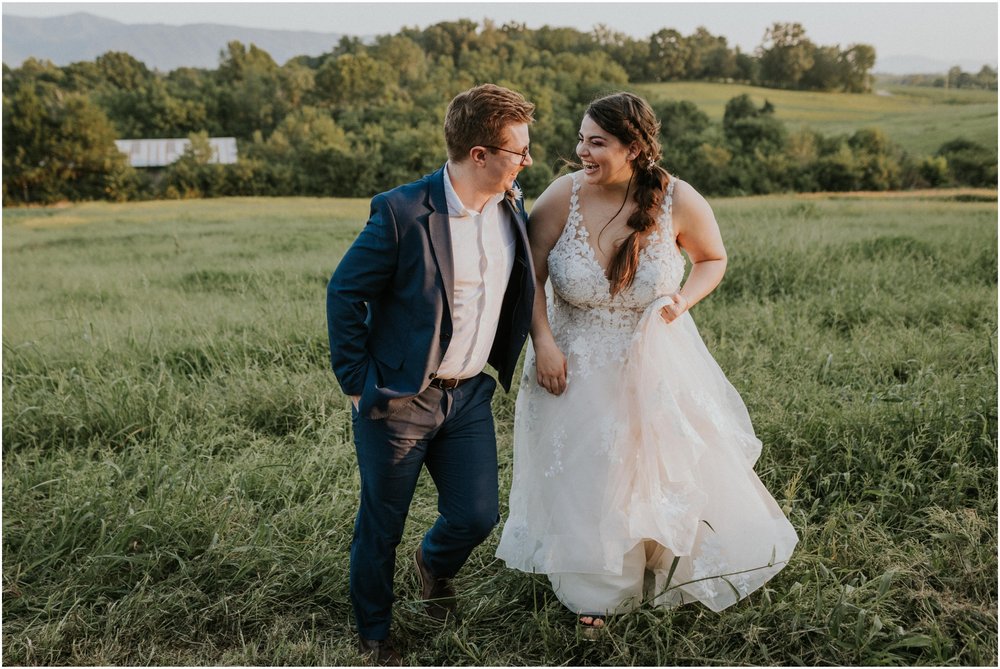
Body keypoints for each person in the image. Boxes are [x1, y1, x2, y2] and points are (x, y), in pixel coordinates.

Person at [495, 92, 798, 633]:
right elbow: (529, 273)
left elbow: (712, 258)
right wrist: (542, 342)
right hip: (572, 360)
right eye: (581, 139)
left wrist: (684, 300)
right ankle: (600, 590)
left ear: (633, 147)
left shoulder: (677, 197)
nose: (581, 151)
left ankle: (665, 567)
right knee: (590, 473)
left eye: (597, 142)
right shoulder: (561, 196)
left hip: (653, 360)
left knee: (656, 468)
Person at [327, 84, 536, 665]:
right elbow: (344, 292)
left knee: (477, 514)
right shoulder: (402, 212)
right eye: (518, 151)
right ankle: (374, 633)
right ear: (479, 154)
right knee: (381, 525)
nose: (526, 161)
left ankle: (434, 564)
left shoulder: (510, 207)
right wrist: (354, 381)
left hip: (468, 395)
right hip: (400, 399)